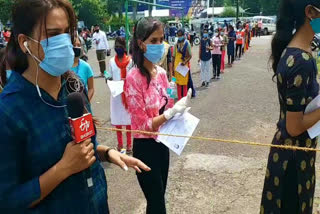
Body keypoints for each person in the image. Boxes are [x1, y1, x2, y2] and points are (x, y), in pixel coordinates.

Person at [0, 1, 151, 213]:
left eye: (66, 33)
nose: (64, 42)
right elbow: (6, 201)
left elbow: (83, 148)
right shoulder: (8, 111)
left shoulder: (74, 86)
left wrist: (107, 153)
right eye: (53, 34)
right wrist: (62, 169)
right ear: (25, 42)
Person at [125, 17, 191, 214]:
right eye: (153, 40)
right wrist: (170, 114)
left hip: (163, 144)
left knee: (158, 198)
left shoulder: (161, 73)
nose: (159, 45)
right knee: (156, 202)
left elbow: (167, 104)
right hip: (145, 148)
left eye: (161, 39)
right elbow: (142, 125)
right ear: (141, 43)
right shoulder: (133, 78)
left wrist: (177, 107)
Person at [260, 1, 320, 213]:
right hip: (292, 164)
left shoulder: (299, 52)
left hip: (293, 157)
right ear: (311, 12)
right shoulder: (301, 59)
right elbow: (295, 127)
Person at [108, 37, 133, 153]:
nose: (118, 48)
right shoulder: (111, 61)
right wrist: (107, 78)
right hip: (116, 95)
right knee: (118, 120)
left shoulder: (131, 62)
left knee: (128, 120)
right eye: (116, 46)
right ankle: (120, 144)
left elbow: (133, 76)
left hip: (127, 94)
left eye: (120, 46)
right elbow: (108, 74)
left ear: (124, 48)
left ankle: (129, 145)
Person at [71, 37, 95, 101]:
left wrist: (85, 103)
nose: (76, 47)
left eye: (78, 45)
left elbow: (91, 88)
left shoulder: (86, 67)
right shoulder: (62, 68)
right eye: (73, 45)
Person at [173, 28, 192, 100]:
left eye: (181, 35)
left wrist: (185, 62)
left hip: (184, 66)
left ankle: (184, 98)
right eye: (178, 35)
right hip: (177, 66)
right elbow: (173, 56)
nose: (179, 37)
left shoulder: (187, 44)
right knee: (177, 82)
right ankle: (179, 97)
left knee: (184, 83)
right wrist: (172, 68)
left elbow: (190, 55)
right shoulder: (176, 44)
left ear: (184, 35)